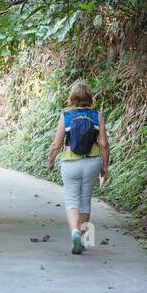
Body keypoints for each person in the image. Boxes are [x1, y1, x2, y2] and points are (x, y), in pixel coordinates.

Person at [47, 80, 108, 255]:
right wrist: (105, 166)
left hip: (70, 163)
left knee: (72, 200)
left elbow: (57, 144)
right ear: (90, 98)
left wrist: (51, 160)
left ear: (72, 98)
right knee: (85, 201)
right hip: (92, 162)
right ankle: (81, 238)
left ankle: (74, 232)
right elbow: (103, 143)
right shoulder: (97, 115)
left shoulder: (66, 116)